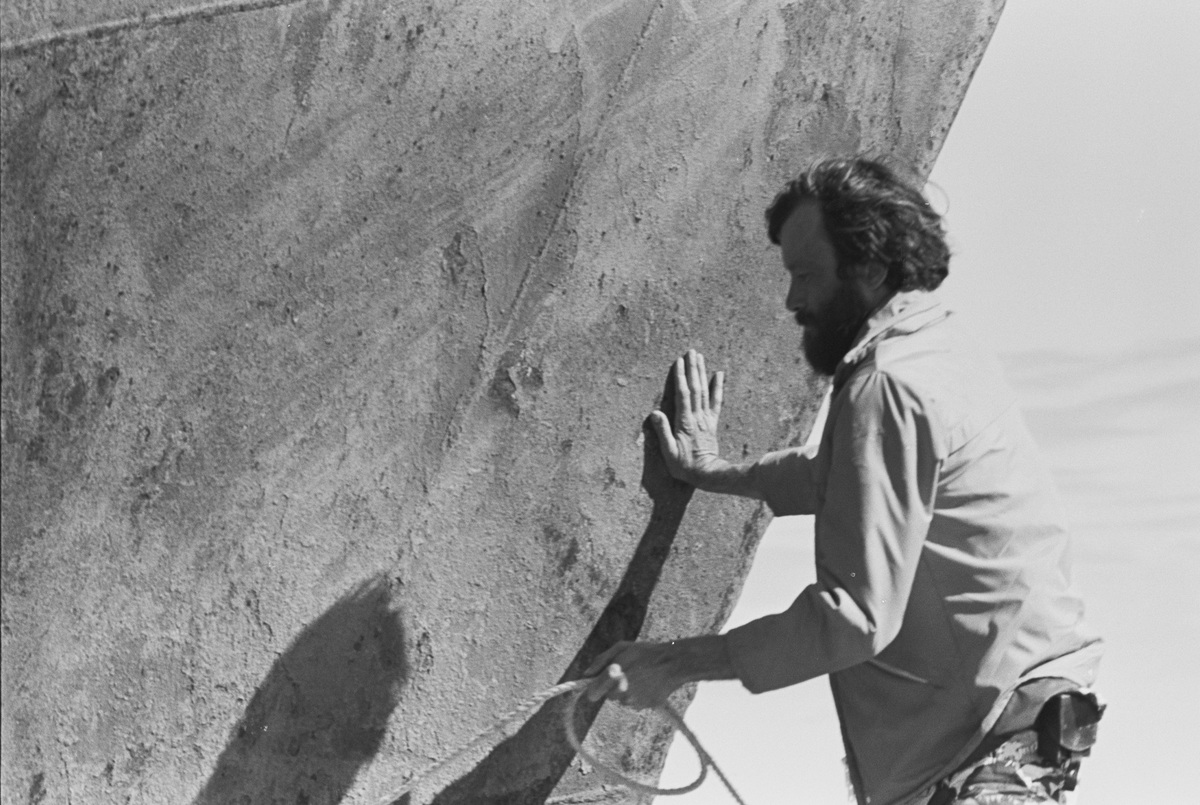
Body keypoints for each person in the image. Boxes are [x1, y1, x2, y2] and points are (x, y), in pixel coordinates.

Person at [585, 158, 1103, 805]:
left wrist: (673, 662)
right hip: (1008, 730)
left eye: (806, 276)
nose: (792, 301)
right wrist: (709, 470)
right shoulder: (934, 345)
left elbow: (853, 619)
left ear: (870, 268)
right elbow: (841, 480)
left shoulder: (888, 382)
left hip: (994, 742)